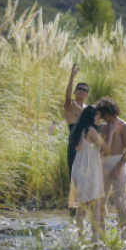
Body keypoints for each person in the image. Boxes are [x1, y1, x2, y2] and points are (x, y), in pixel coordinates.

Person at [52, 64, 89, 217]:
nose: (81, 91)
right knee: (73, 175)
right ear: (75, 91)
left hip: (87, 145)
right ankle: (73, 211)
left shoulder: (88, 109)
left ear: (87, 94)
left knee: (86, 176)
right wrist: (72, 77)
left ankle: (84, 209)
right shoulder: (70, 106)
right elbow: (67, 97)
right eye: (79, 88)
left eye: (84, 90)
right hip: (74, 144)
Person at [96, 97, 126, 240]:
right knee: (100, 201)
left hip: (118, 163)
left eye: (104, 113)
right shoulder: (102, 127)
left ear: (110, 111)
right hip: (103, 164)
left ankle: (124, 236)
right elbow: (99, 149)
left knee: (119, 201)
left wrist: (117, 168)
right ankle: (101, 236)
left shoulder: (124, 126)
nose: (102, 117)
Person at [68, 105, 108, 240]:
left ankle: (80, 236)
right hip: (90, 169)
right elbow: (105, 147)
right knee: (95, 203)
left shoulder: (77, 130)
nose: (99, 119)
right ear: (92, 117)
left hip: (79, 168)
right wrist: (112, 132)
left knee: (81, 205)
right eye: (97, 117)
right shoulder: (90, 130)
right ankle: (95, 238)